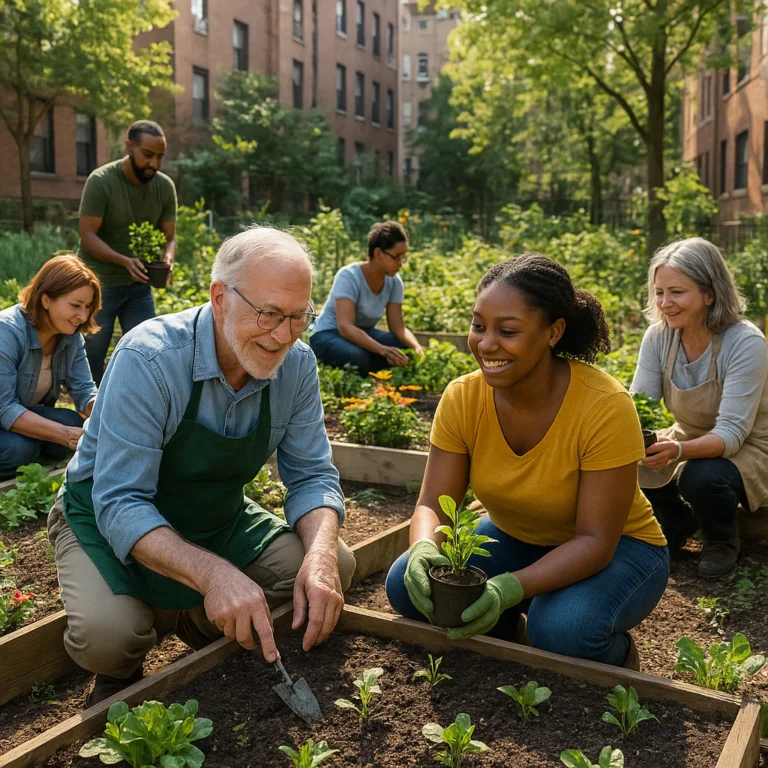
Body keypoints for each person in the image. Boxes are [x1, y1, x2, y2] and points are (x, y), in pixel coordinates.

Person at [48, 227, 356, 705]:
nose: (281, 336)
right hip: (105, 514)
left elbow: (313, 475)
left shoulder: (296, 365)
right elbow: (121, 501)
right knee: (110, 637)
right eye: (269, 314)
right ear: (219, 297)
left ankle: (198, 621)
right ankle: (133, 658)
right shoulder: (149, 358)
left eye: (298, 317)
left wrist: (318, 559)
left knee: (333, 563)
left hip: (213, 514)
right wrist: (215, 576)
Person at [385, 253, 669, 669]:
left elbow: (594, 542)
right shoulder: (464, 398)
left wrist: (508, 588)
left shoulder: (604, 406)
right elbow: (432, 503)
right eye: (478, 326)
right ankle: (507, 636)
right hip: (517, 536)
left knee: (561, 630)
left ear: (553, 332)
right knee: (407, 585)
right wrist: (426, 546)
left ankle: (619, 660)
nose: (485, 343)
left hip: (621, 549)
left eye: (508, 330)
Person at [631, 238, 768, 579]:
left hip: (752, 445)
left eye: (677, 292)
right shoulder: (659, 337)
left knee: (701, 476)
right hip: (690, 435)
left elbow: (733, 434)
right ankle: (677, 521)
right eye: (659, 292)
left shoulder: (745, 342)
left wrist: (678, 451)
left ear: (710, 294)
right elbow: (640, 405)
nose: (665, 303)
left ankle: (721, 540)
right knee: (631, 457)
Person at [78, 120, 177, 384]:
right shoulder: (101, 181)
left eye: (159, 157)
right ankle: (89, 413)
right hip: (98, 285)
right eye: (147, 155)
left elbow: (170, 238)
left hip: (138, 286)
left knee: (148, 349)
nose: (154, 164)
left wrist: (168, 259)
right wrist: (123, 261)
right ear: (130, 147)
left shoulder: (164, 187)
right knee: (93, 352)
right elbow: (87, 236)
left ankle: (135, 406)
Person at [0, 255, 100, 480]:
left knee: (75, 422)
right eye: (75, 305)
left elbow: (84, 391)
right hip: (3, 414)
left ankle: (31, 448)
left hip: (24, 414)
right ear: (46, 300)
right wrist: (65, 436)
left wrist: (113, 419)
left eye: (87, 306)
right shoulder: (7, 332)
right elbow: (4, 407)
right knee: (18, 449)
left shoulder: (70, 335)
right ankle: (27, 451)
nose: (82, 316)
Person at [309, 221, 424, 375]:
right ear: (378, 254)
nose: (401, 264)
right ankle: (365, 365)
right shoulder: (349, 276)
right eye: (397, 257)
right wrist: (382, 350)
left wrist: (416, 348)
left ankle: (368, 366)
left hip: (365, 334)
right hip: (330, 333)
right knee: (356, 356)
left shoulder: (394, 282)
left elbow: (398, 327)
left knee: (402, 348)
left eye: (403, 258)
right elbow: (345, 327)